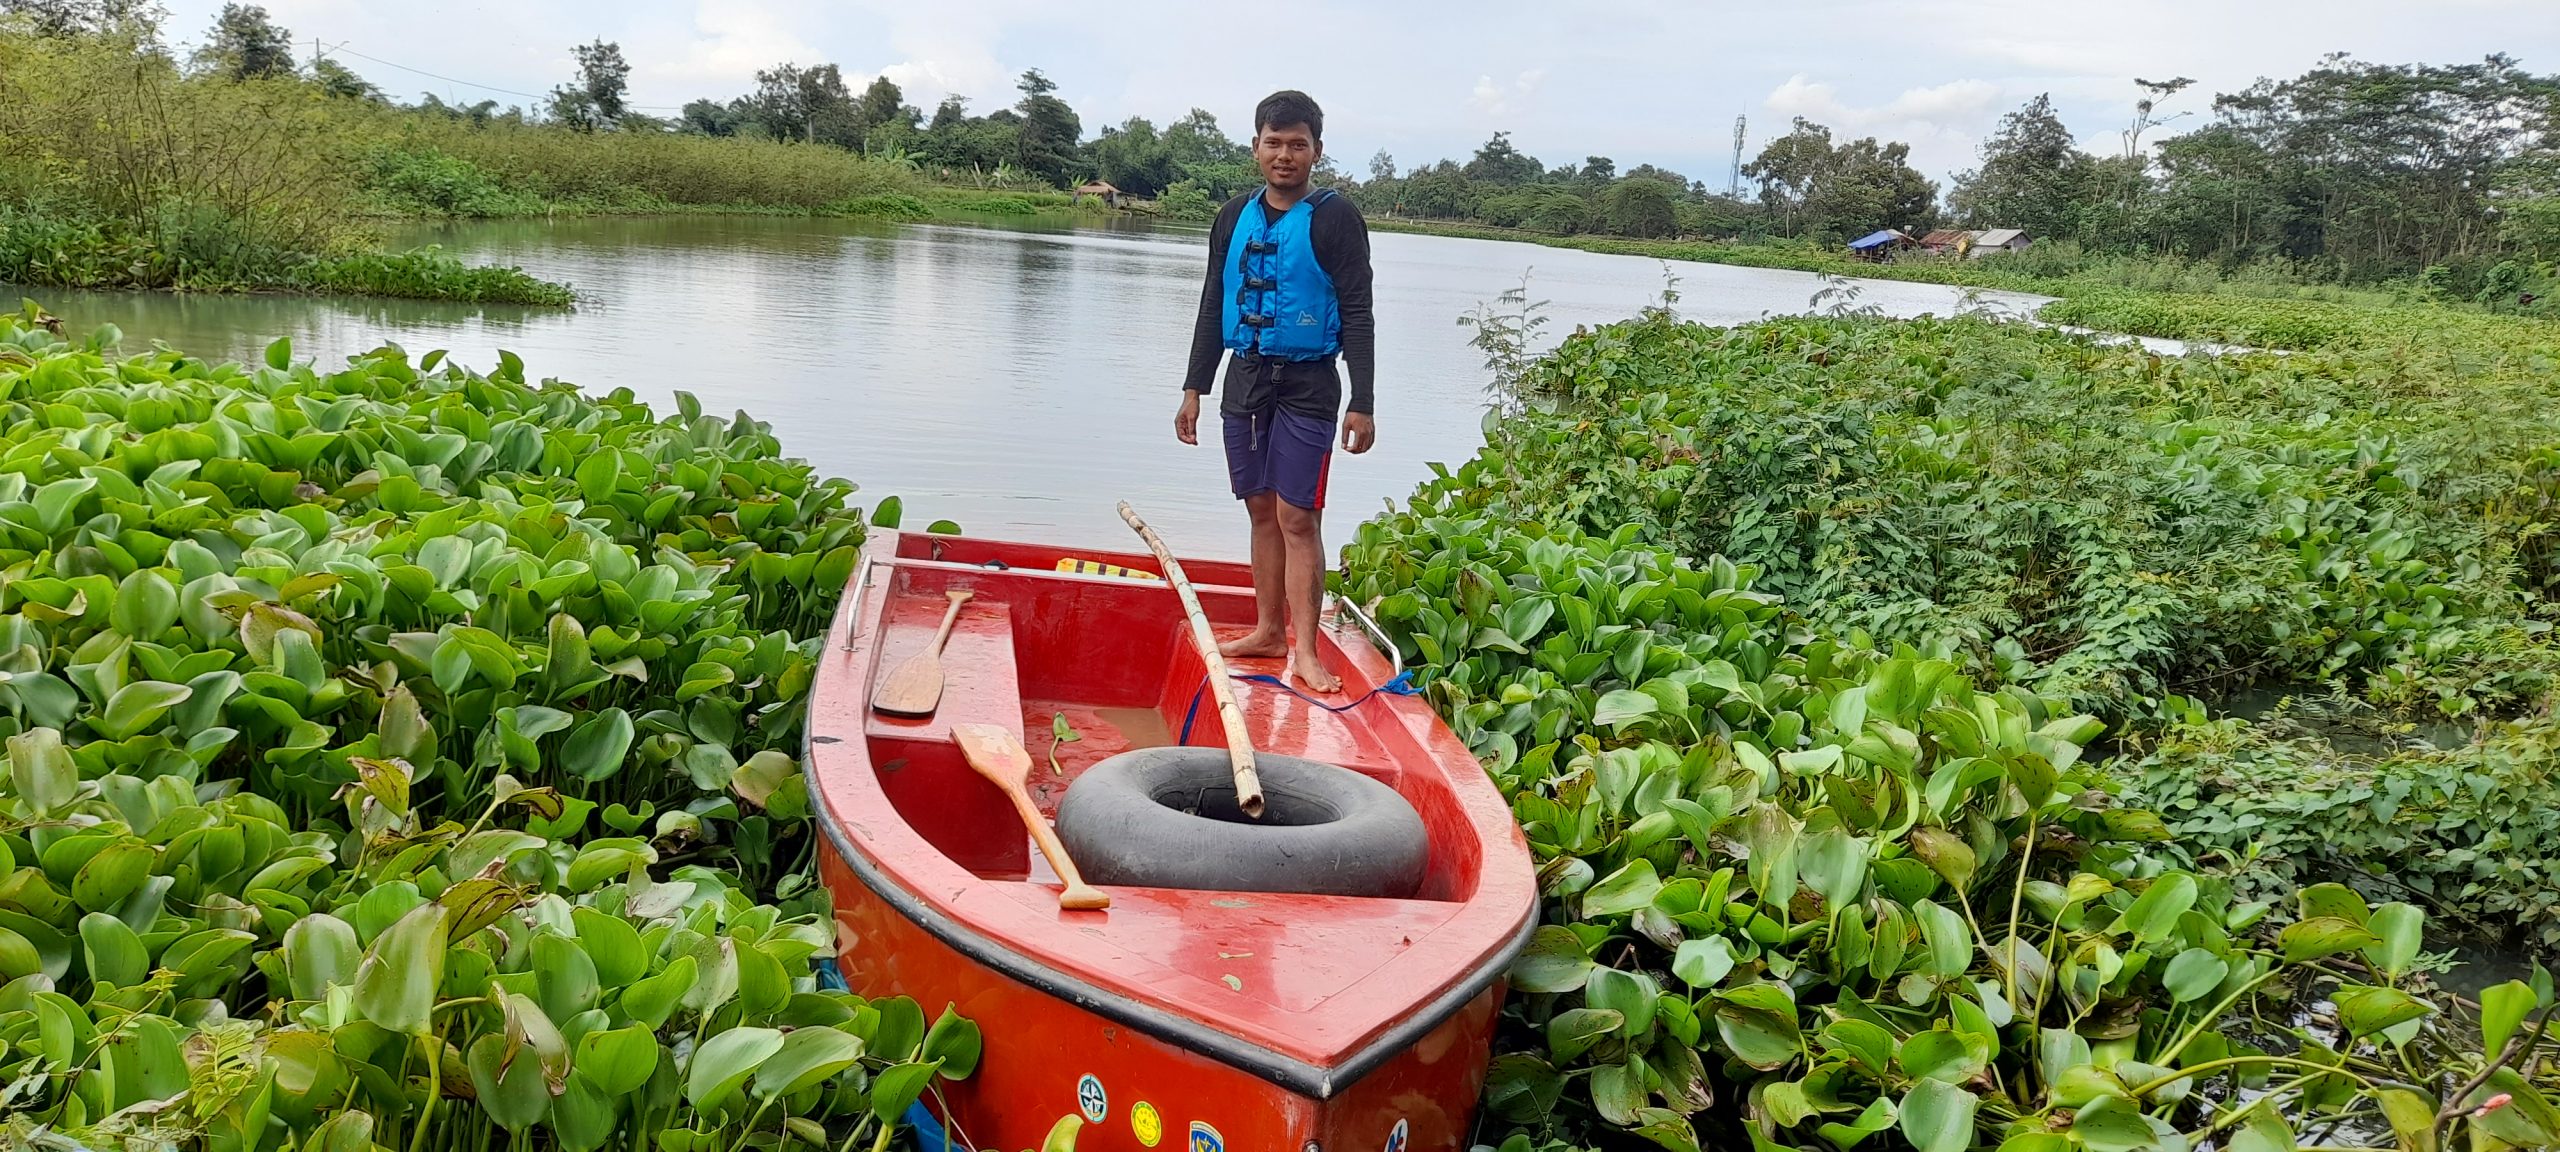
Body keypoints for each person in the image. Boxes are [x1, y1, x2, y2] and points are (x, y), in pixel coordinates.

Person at [1173, 90, 1375, 694]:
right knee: (1260, 507)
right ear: (1256, 146)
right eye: (1274, 142)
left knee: (1297, 515)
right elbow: (1214, 302)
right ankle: (1266, 631)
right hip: (1246, 376)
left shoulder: (1337, 218)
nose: (1284, 154)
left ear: (1316, 150)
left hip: (1310, 383)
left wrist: (1362, 400)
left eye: (1297, 144)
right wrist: (1194, 387)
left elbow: (1359, 312)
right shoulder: (1233, 216)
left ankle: (1306, 651)